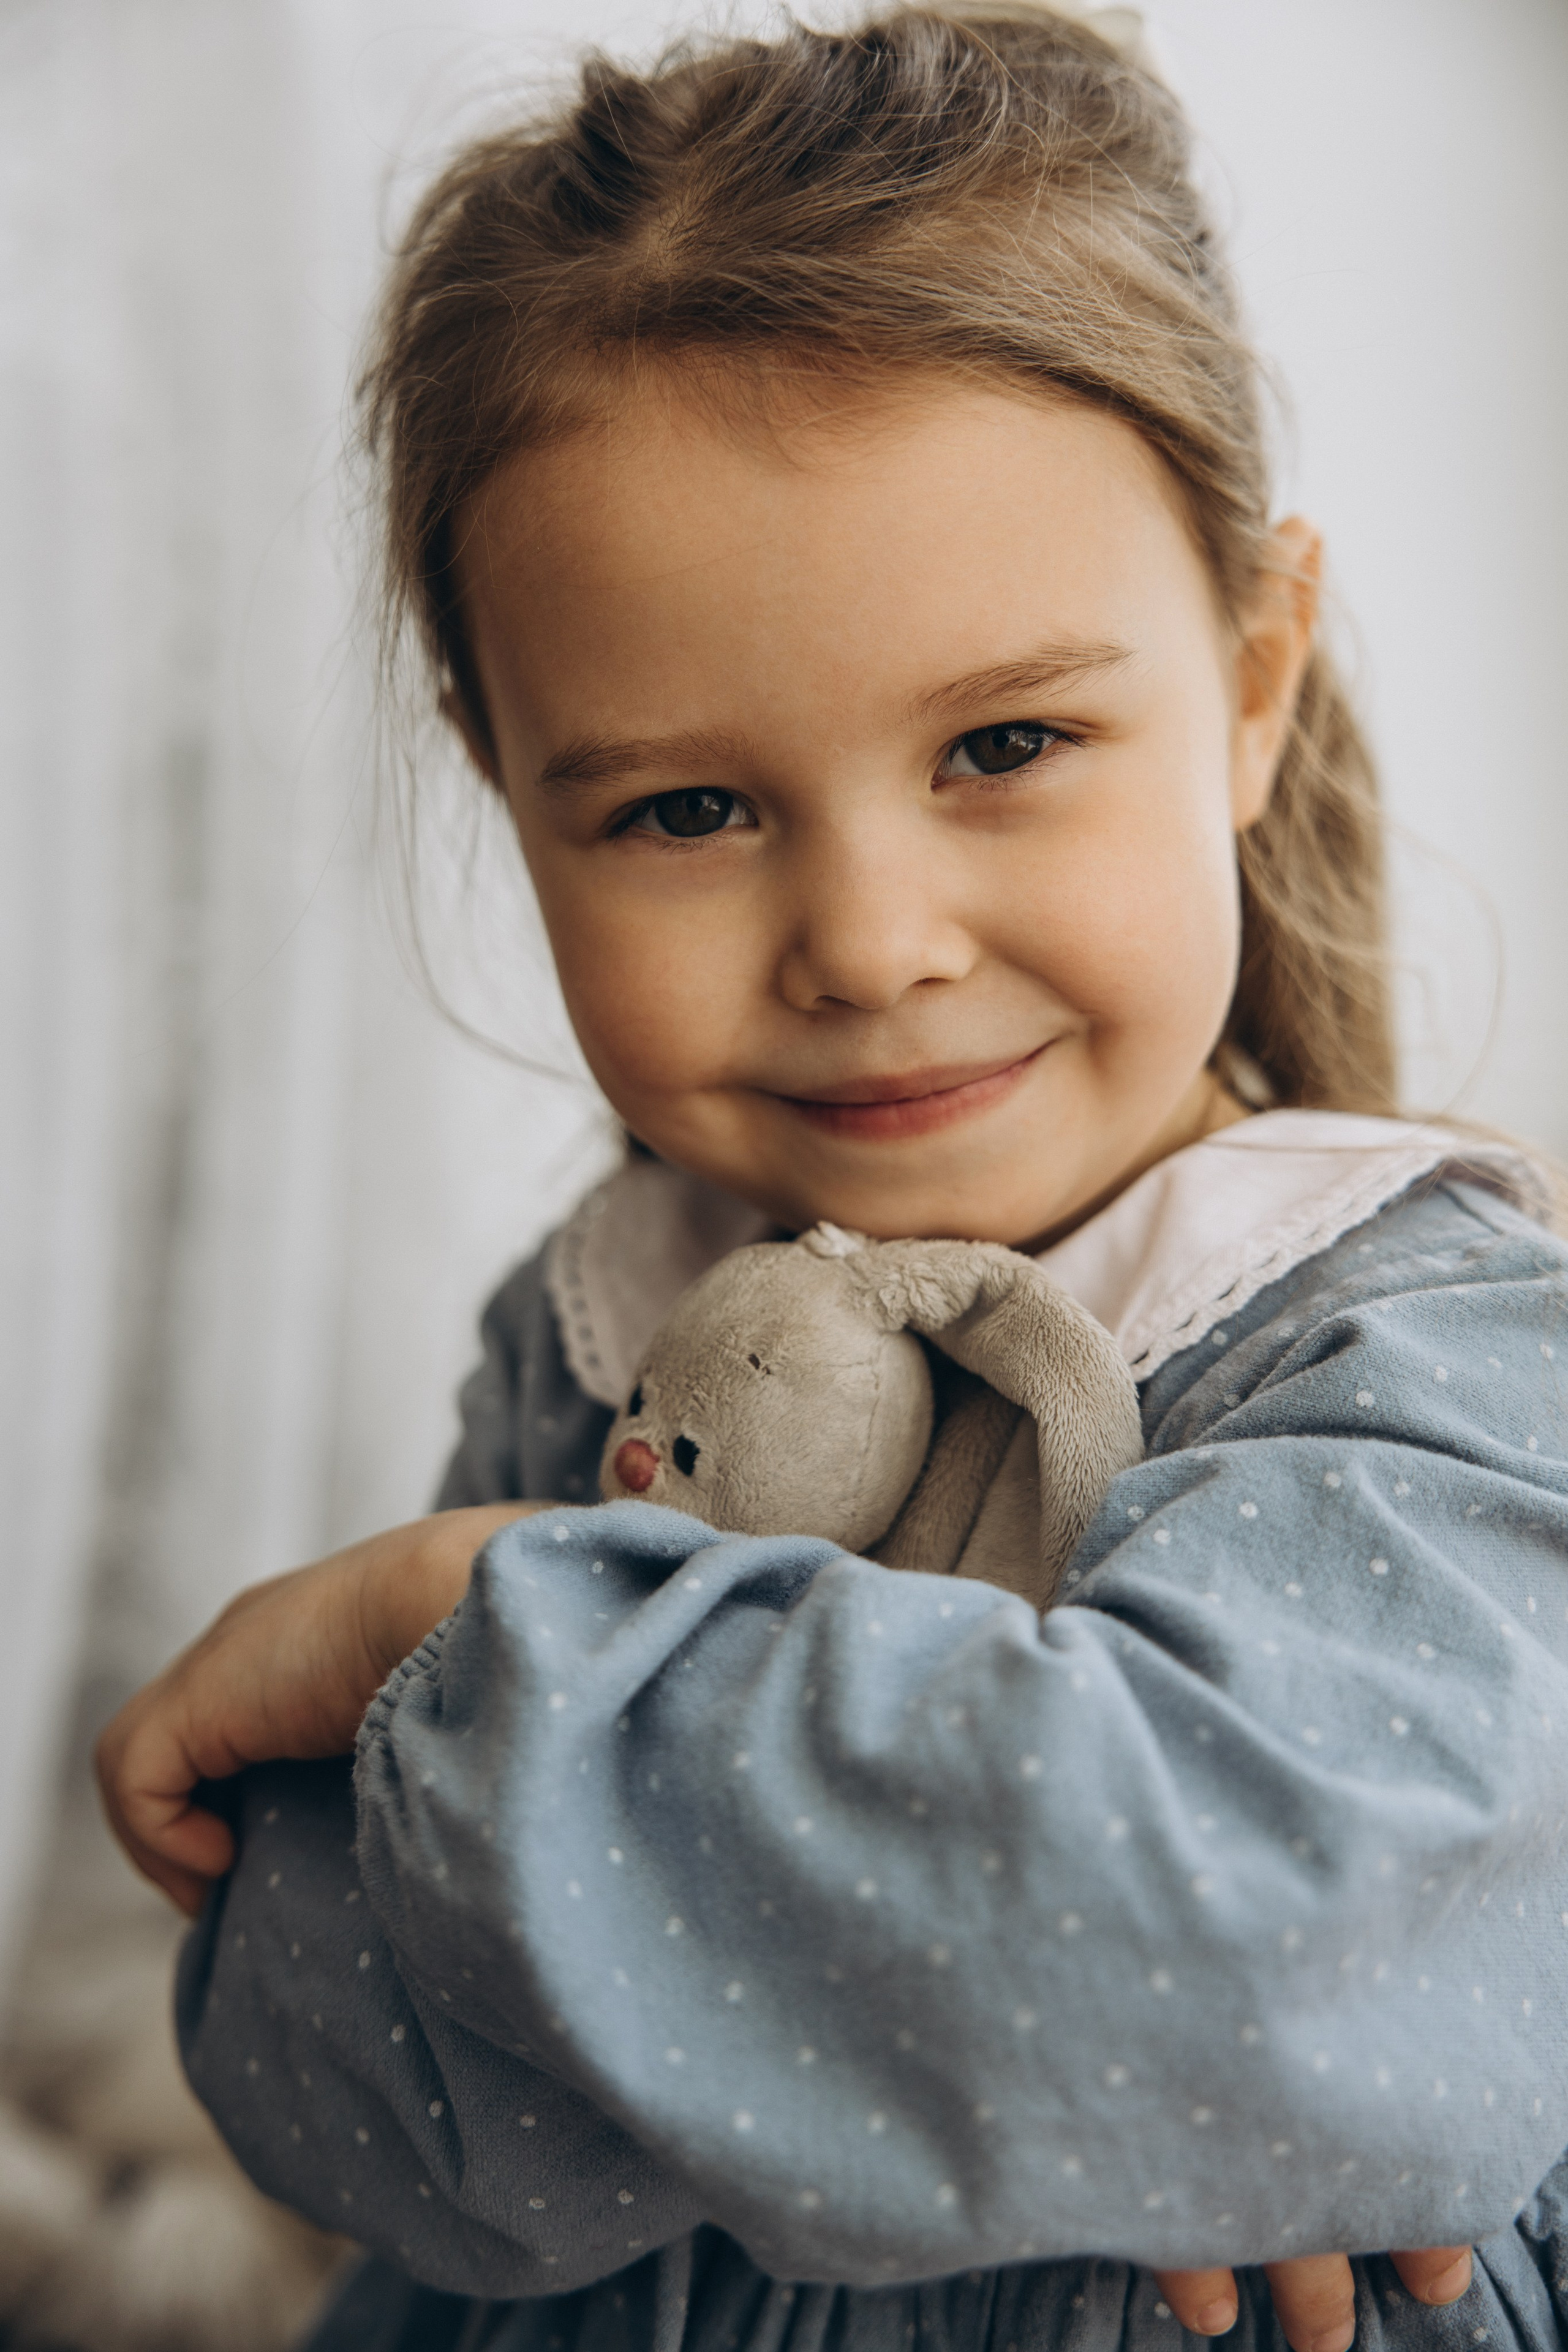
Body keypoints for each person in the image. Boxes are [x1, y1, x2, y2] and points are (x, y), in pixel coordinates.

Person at [94, 9, 1568, 2352]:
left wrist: (480, 1630)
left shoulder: (1428, 1352)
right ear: (505, 781)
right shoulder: (602, 1321)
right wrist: (979, 2028)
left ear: (1255, 675)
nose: (873, 946)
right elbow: (313, 2070)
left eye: (1007, 744)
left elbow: (1247, 1954)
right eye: (684, 808)